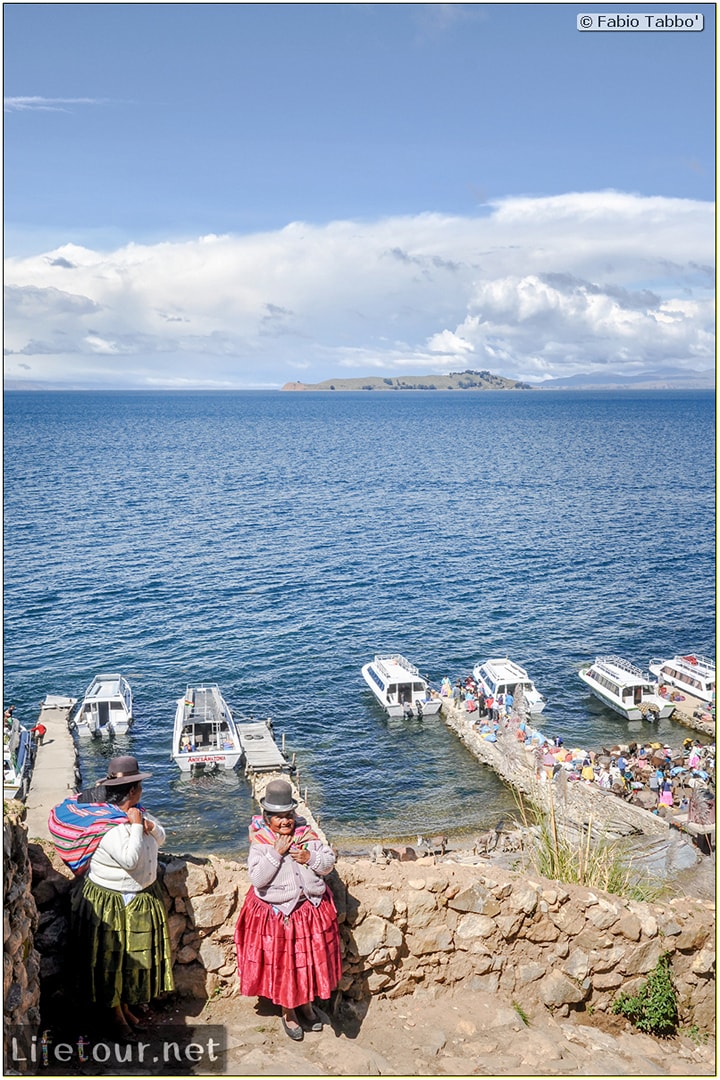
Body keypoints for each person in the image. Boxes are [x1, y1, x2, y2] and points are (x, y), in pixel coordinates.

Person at [60, 755, 174, 1038]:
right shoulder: (110, 827)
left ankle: (125, 1007)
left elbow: (161, 837)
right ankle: (115, 1017)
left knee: (127, 961)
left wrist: (146, 825)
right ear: (133, 790)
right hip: (113, 903)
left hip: (137, 899)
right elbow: (130, 859)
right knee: (112, 961)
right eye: (139, 787)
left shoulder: (137, 813)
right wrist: (136, 826)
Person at [234, 779, 342, 1041]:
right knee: (286, 965)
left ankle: (306, 1004)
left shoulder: (307, 836)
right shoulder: (261, 842)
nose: (285, 822)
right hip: (280, 915)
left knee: (307, 962)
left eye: (289, 816)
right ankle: (288, 1011)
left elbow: (327, 864)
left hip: (309, 910)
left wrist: (311, 858)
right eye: (279, 818)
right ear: (268, 818)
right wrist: (276, 853)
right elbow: (258, 879)